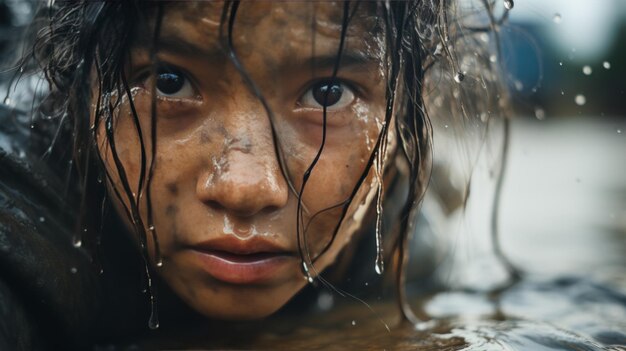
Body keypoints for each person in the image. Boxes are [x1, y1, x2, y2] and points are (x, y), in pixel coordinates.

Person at [0, 0, 506, 349]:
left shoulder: (403, 235)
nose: (245, 187)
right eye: (170, 83)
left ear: (402, 118)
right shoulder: (21, 212)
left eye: (329, 95)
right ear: (79, 88)